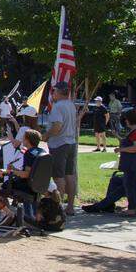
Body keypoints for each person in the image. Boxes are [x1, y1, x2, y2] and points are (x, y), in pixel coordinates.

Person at [83, 113, 136, 216]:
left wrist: (121, 149)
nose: (125, 121)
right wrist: (117, 136)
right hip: (132, 164)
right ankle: (133, 208)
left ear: (130, 119)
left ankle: (131, 209)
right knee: (130, 186)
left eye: (126, 119)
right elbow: (129, 143)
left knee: (129, 186)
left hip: (133, 165)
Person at [0, 129, 46, 225]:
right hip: (36, 188)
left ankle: (9, 214)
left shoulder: (29, 153)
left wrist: (9, 171)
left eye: (24, 138)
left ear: (27, 140)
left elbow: (27, 174)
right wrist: (14, 169)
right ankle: (10, 215)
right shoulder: (42, 152)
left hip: (24, 187)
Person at [44, 81, 79, 216]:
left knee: (59, 176)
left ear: (58, 92)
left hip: (59, 144)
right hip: (70, 142)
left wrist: (46, 135)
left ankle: (58, 207)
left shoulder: (58, 107)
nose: (53, 94)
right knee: (70, 175)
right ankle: (70, 206)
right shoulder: (71, 105)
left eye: (54, 91)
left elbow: (57, 126)